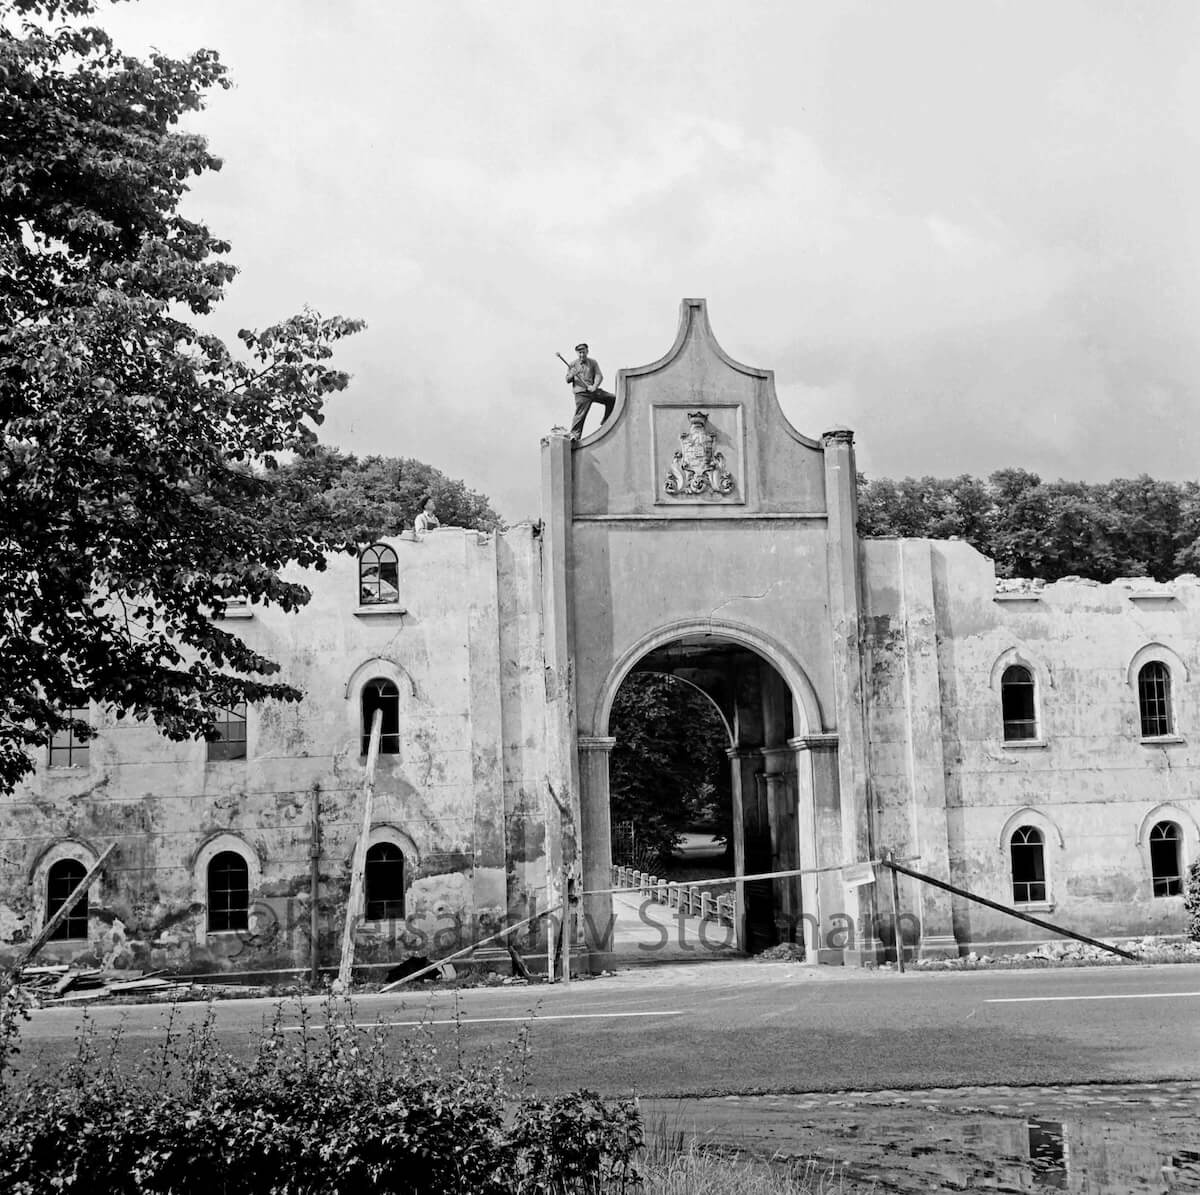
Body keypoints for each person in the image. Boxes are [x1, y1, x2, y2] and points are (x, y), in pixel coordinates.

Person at [566, 342, 615, 441]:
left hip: (592, 391)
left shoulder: (593, 362)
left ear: (587, 352)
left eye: (583, 352)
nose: (582, 355)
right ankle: (574, 436)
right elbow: (567, 379)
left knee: (612, 399)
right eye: (579, 353)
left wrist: (594, 386)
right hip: (581, 394)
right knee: (580, 415)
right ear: (577, 353)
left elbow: (599, 375)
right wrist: (572, 374)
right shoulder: (572, 364)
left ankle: (606, 420)